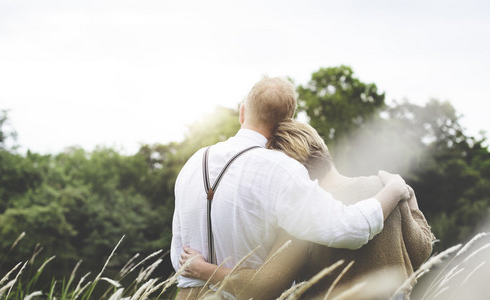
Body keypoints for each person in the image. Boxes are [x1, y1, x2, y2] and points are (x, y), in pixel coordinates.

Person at [170, 76, 411, 299]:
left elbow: (179, 258)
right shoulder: (281, 170)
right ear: (287, 123)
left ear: (243, 112)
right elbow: (351, 229)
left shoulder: (193, 164)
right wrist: (395, 188)